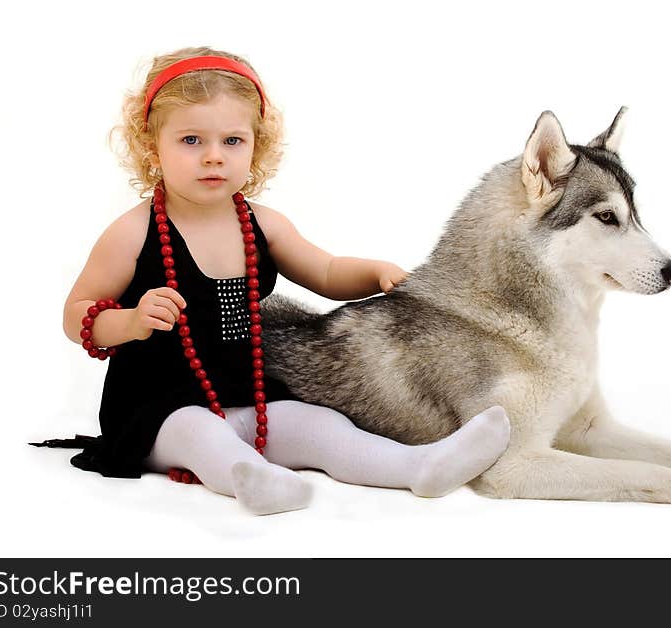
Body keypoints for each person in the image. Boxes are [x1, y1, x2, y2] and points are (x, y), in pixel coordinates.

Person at [35, 46, 510, 516]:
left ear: (257, 145)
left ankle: (417, 467)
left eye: (232, 141)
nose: (213, 158)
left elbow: (324, 271)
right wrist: (130, 321)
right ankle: (252, 481)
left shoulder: (263, 225)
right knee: (201, 435)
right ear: (150, 145)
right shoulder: (131, 233)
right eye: (191, 140)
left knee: (321, 425)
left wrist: (373, 273)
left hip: (250, 396)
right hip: (155, 411)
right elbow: (76, 313)